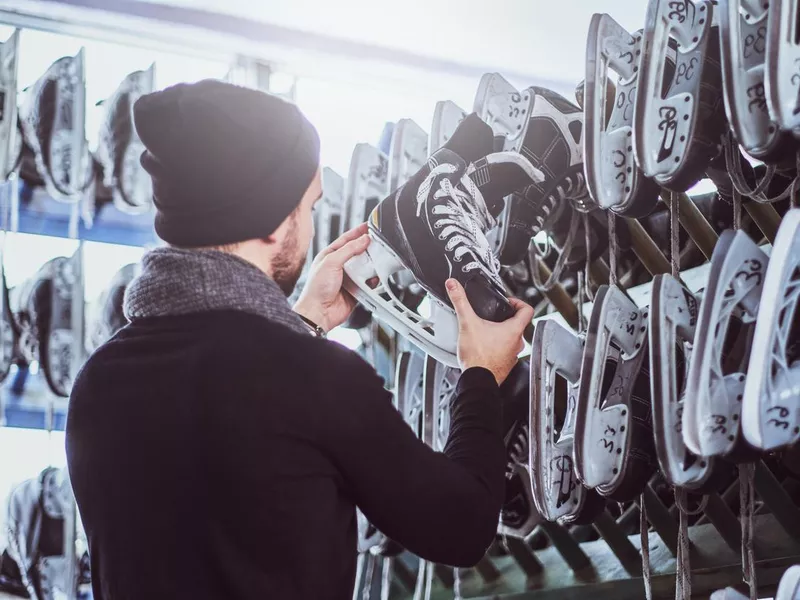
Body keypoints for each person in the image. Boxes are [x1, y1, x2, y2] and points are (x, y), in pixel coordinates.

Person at [66, 80, 533, 600]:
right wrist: (482, 376)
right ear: (270, 223)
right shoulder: (315, 380)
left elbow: (225, 460)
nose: (311, 230)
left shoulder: (99, 384)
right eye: (309, 208)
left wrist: (301, 321)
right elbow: (461, 525)